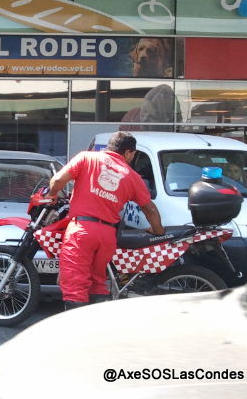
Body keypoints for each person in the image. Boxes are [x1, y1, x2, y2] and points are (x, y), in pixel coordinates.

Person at [46, 131, 165, 310]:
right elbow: (150, 208)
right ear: (128, 153)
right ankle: (97, 326)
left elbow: (57, 180)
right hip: (107, 235)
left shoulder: (86, 158)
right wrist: (157, 231)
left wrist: (52, 195)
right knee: (98, 282)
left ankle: (75, 331)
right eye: (133, 154)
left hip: (82, 230)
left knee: (74, 284)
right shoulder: (132, 176)